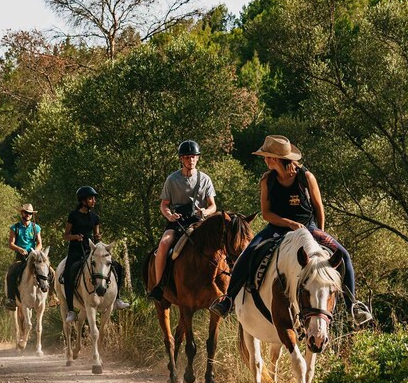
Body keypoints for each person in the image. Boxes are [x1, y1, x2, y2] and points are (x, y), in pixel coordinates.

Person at [209, 135, 372, 324]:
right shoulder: (267, 180)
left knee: (343, 254)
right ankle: (228, 299)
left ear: (278, 158)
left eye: (267, 156)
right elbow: (267, 214)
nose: (265, 159)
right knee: (250, 252)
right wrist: (289, 224)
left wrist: (319, 233)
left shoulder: (306, 177)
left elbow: (319, 208)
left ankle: (353, 305)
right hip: (277, 228)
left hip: (308, 227)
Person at [147, 140, 217, 302]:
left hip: (198, 221)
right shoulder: (172, 180)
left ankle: (224, 286)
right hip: (178, 221)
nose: (190, 160)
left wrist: (205, 211)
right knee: (164, 243)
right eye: (187, 157)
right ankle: (159, 286)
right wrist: (169, 215)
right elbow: (164, 205)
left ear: (198, 158)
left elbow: (213, 205)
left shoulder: (205, 179)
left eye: (193, 157)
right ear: (181, 159)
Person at [62, 186, 130, 323]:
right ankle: (70, 310)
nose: (94, 201)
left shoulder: (95, 217)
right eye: (91, 198)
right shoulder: (73, 215)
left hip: (91, 250)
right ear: (83, 201)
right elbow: (66, 235)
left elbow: (96, 235)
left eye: (94, 198)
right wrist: (75, 237)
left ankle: (117, 299)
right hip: (76, 249)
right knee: (68, 273)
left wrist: (98, 238)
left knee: (117, 266)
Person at [4, 203, 43, 310]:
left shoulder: (36, 228)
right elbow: (10, 244)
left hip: (34, 255)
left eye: (30, 213)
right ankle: (11, 299)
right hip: (20, 257)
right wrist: (20, 249)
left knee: (49, 270)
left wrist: (35, 251)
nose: (28, 215)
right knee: (11, 273)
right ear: (22, 213)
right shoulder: (15, 227)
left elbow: (40, 243)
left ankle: (52, 295)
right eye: (26, 212)